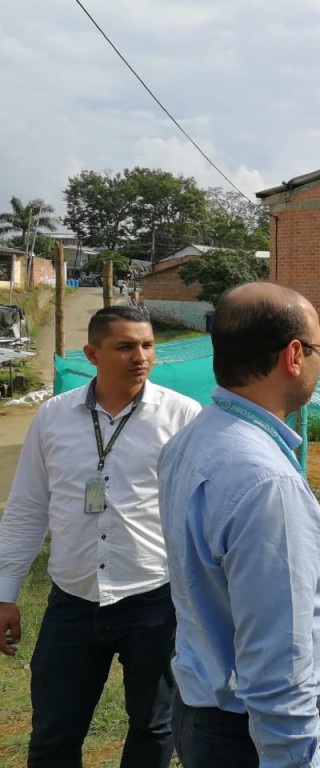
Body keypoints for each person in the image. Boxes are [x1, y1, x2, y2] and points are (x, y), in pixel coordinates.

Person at [0, 305, 202, 767]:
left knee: (154, 731)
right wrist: (4, 593)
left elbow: (199, 512)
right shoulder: (53, 418)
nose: (141, 356)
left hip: (153, 601)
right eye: (126, 346)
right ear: (92, 353)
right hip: (71, 601)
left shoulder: (181, 416)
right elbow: (29, 506)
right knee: (54, 733)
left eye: (148, 345)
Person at [157, 282, 320, 768]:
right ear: (295, 356)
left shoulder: (193, 438)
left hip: (201, 709)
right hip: (249, 736)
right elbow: (277, 665)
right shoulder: (267, 483)